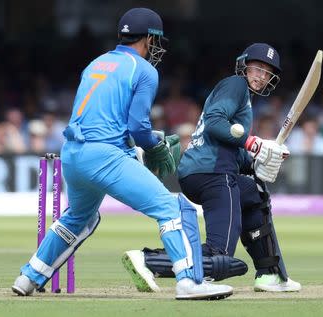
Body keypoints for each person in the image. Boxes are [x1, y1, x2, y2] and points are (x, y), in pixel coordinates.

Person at [12, 8, 233, 300]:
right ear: (149, 39)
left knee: (80, 217)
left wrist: (144, 143)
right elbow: (138, 126)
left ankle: (28, 277)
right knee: (175, 208)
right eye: (156, 41)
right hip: (104, 155)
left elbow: (108, 120)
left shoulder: (96, 64)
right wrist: (153, 147)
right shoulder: (144, 70)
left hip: (73, 154)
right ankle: (190, 282)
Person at [125, 43, 301, 292]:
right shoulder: (236, 85)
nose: (261, 75)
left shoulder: (243, 98)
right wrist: (254, 144)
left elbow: (228, 147)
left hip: (205, 170)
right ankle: (149, 261)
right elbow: (215, 122)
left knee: (254, 192)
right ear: (245, 65)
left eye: (267, 72)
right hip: (212, 173)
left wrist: (259, 160)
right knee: (221, 257)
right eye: (257, 67)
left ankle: (270, 274)